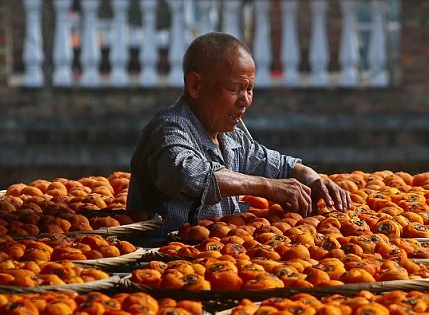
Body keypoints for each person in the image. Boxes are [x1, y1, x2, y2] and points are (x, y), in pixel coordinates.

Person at [127, 32, 350, 236]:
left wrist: (313, 180)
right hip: (165, 258)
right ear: (195, 85)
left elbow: (279, 165)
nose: (245, 101)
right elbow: (188, 176)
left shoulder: (229, 135)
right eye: (234, 89)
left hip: (217, 258)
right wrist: (269, 187)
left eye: (249, 89)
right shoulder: (167, 130)